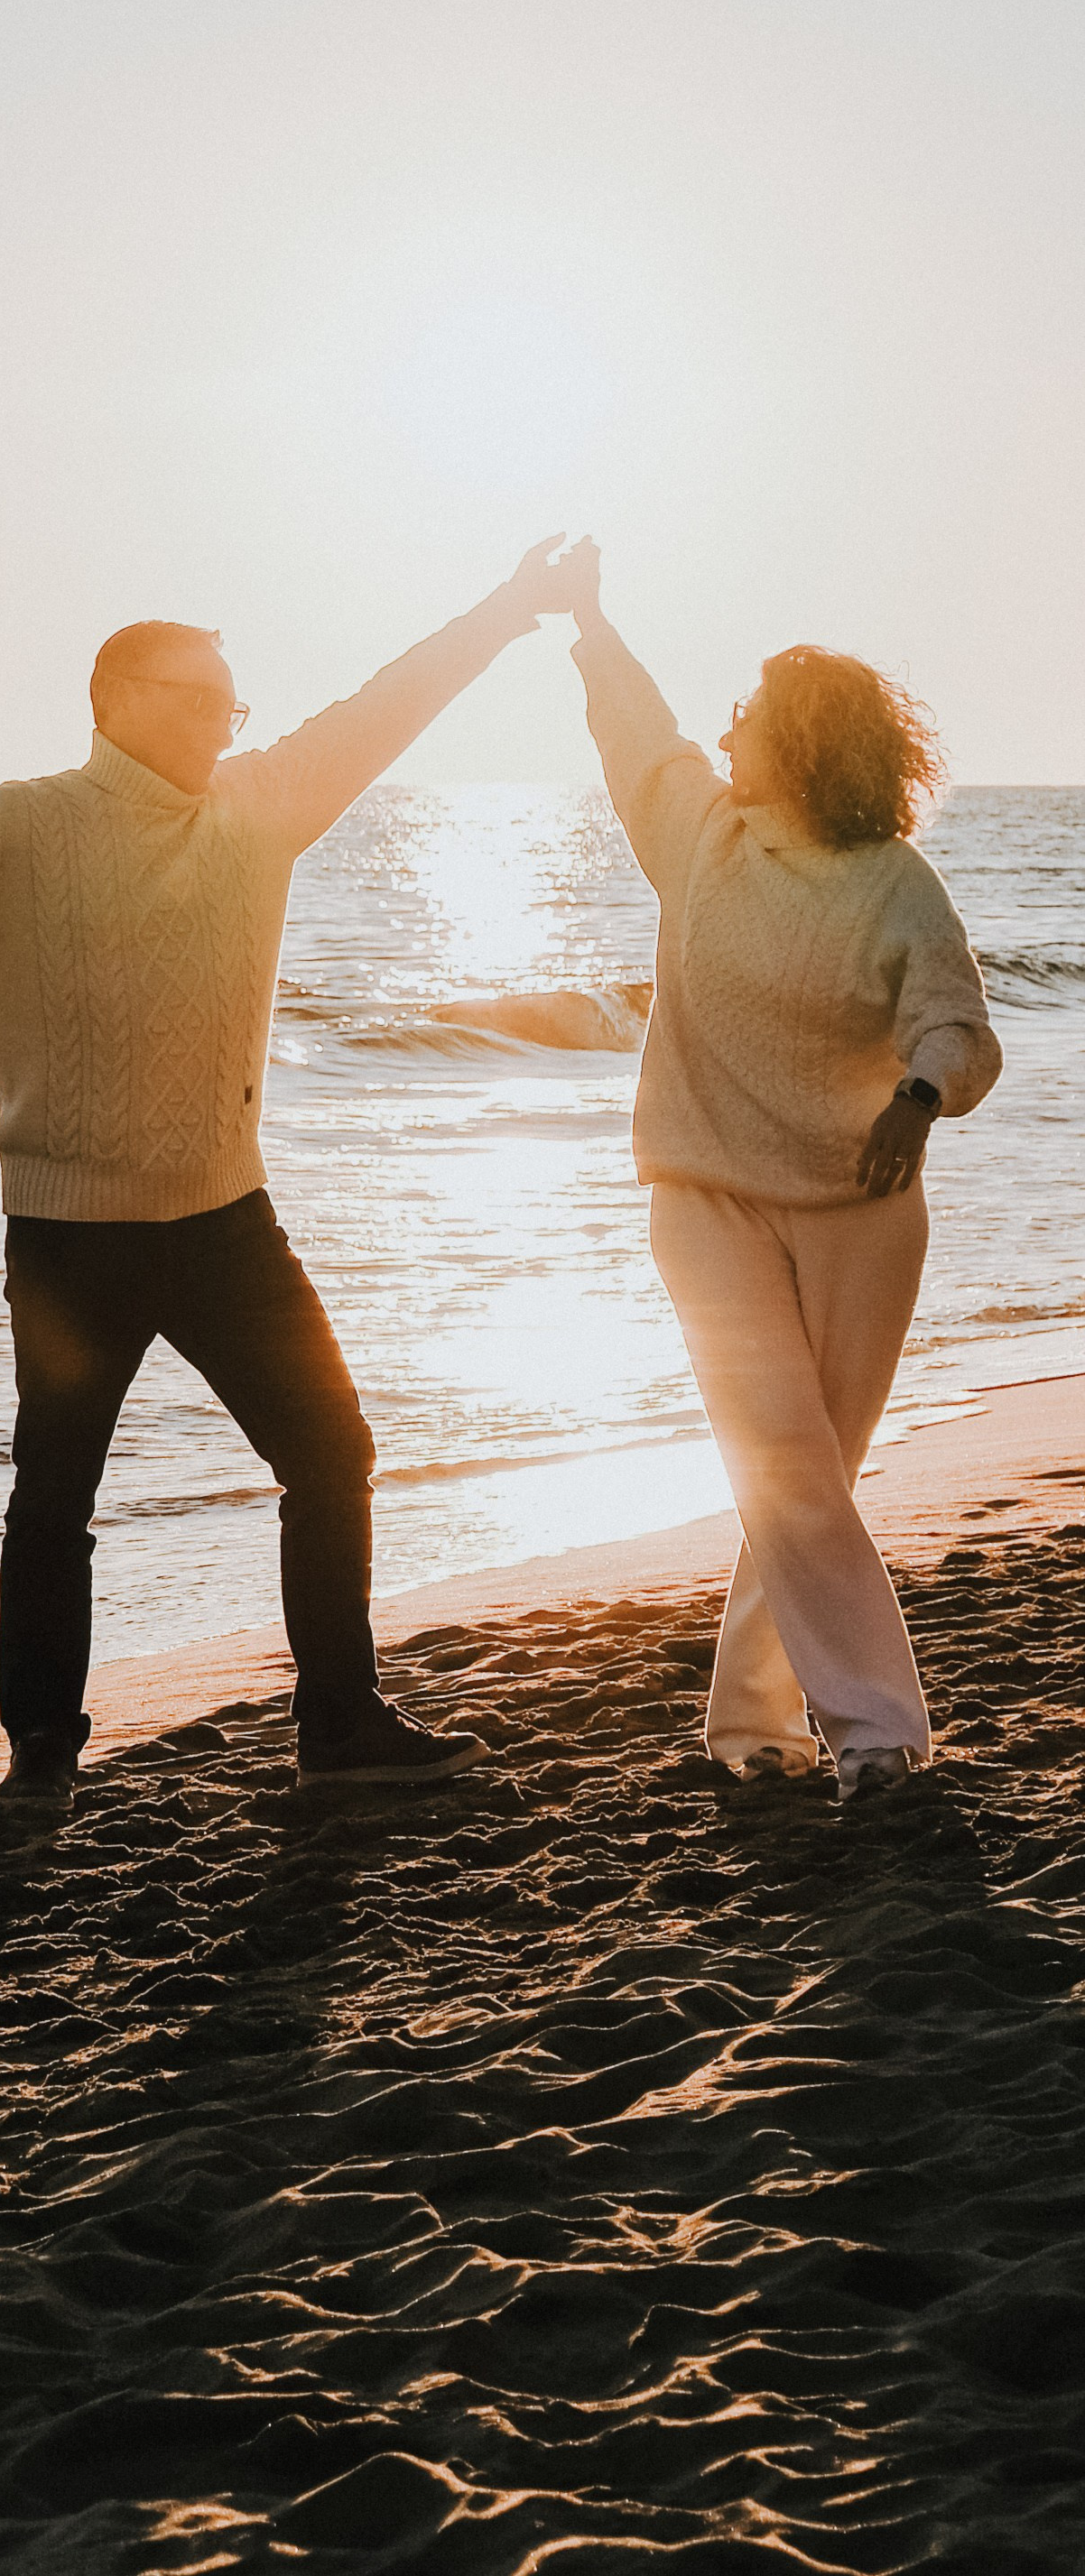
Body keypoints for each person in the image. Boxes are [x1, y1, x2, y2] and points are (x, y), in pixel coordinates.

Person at [0, 540, 570, 1805]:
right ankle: (41, 1748)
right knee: (56, 1493)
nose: (219, 719)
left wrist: (507, 609)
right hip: (69, 1235)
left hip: (225, 1223)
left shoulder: (262, 803)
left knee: (329, 1447)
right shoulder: (19, 825)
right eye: (195, 695)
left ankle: (340, 1719)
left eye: (229, 701)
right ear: (116, 702)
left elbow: (388, 702)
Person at [553, 537, 1000, 1803]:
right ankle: (877, 1734)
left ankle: (751, 1717)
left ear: (805, 744)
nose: (724, 727)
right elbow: (636, 728)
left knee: (811, 1472)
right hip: (705, 1195)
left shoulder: (894, 886)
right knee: (785, 1462)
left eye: (750, 712)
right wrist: (587, 618)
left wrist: (919, 1097)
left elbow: (955, 1019)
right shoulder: (699, 832)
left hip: (861, 1211)